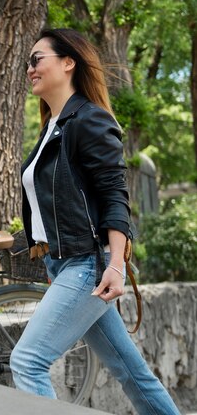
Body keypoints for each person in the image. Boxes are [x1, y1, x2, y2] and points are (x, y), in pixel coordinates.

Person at [10, 28, 180, 414]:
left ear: (68, 62)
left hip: (89, 265)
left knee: (27, 361)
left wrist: (116, 264)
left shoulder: (89, 119)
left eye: (37, 59)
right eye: (27, 62)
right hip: (65, 263)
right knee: (131, 371)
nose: (29, 69)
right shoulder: (53, 126)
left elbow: (115, 198)